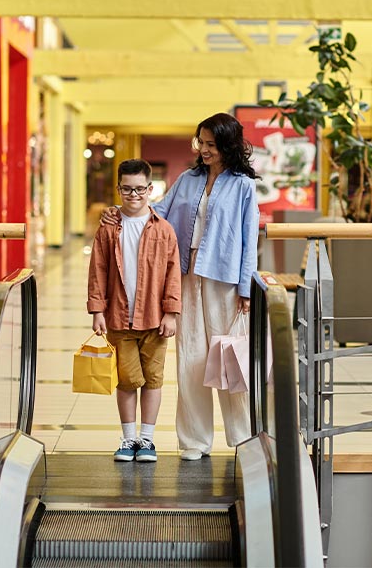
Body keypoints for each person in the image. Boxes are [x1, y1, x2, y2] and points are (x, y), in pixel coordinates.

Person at [102, 112, 260, 461]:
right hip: (186, 276)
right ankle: (194, 440)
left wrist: (247, 288)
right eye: (200, 143)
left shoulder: (244, 186)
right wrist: (120, 210)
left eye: (210, 144)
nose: (203, 149)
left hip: (225, 280)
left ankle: (244, 437)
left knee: (229, 358)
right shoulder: (189, 179)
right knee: (191, 358)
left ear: (227, 145)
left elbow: (250, 239)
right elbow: (157, 211)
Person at [87, 159, 181, 463]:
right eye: (127, 189)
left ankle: (147, 440)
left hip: (155, 319)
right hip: (118, 317)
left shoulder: (164, 231)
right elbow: (98, 269)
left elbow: (172, 273)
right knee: (126, 381)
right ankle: (128, 439)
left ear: (150, 189)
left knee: (153, 379)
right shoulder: (108, 230)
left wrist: (172, 312)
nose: (134, 195)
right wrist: (97, 310)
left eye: (140, 189)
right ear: (118, 189)